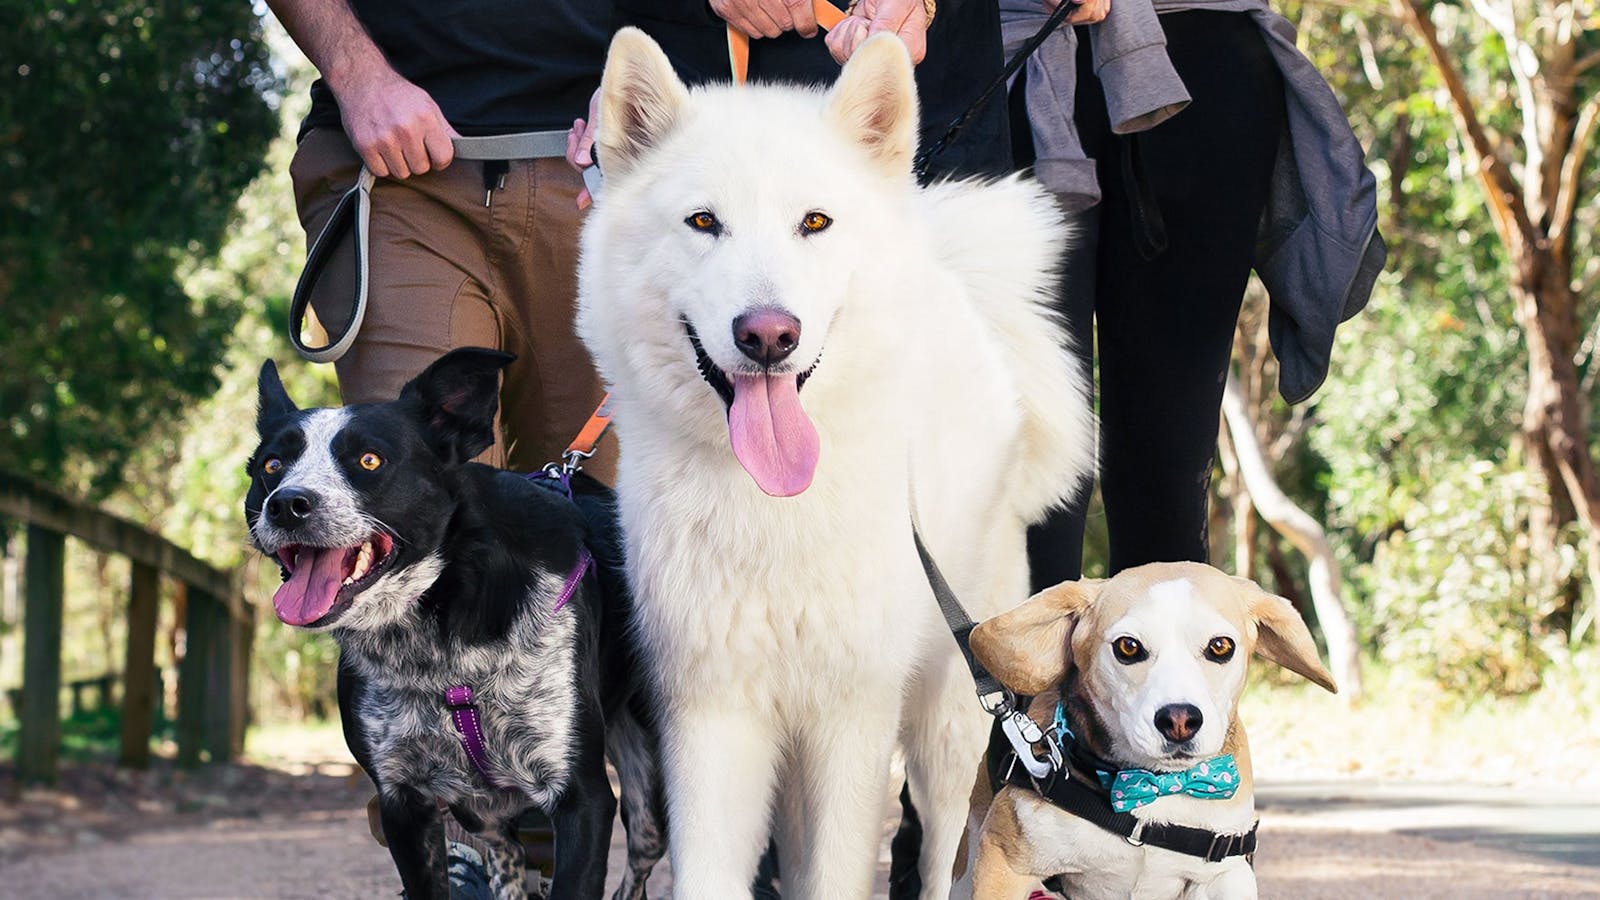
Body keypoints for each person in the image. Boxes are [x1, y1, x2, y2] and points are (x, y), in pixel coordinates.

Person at [1010, 0, 1385, 588]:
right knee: (1026, 441)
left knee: (1169, 451)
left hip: (1197, 60)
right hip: (1009, 53)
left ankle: (1165, 677)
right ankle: (1013, 676)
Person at [267, 0, 617, 482]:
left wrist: (641, 84)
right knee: (416, 498)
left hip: (600, 181)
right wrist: (357, 74)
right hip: (396, 173)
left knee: (605, 514)